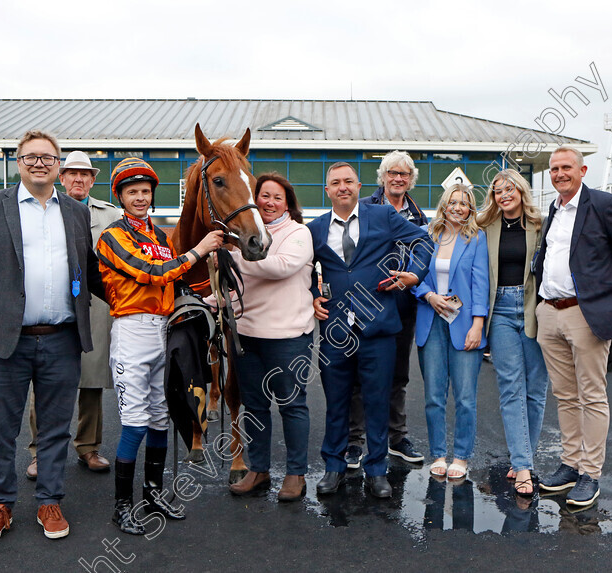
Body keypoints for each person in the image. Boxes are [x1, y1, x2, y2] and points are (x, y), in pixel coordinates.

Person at [0, 130, 105, 544]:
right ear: (19, 161)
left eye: (48, 157)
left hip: (61, 339)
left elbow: (91, 273)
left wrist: (147, 295)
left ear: (59, 165)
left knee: (56, 429)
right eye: (31, 157)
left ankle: (49, 500)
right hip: (4, 340)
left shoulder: (75, 212)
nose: (40, 163)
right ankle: (0, 505)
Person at [96, 157, 223, 534]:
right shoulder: (111, 237)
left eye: (145, 192)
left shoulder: (160, 238)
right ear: (120, 196)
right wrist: (198, 251)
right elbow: (151, 273)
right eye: (132, 191)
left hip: (163, 331)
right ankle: (122, 504)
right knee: (135, 423)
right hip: (131, 331)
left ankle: (153, 492)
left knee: (158, 417)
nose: (139, 197)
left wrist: (208, 298)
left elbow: (175, 282)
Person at [308, 162, 432, 499]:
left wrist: (413, 275)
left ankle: (377, 470)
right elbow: (303, 270)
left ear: (359, 186)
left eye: (348, 181)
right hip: (336, 333)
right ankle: (333, 468)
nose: (343, 187)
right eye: (335, 182)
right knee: (337, 403)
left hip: (378, 330)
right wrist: (312, 296)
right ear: (327, 190)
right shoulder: (316, 229)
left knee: (377, 402)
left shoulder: (382, 217)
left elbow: (423, 242)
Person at [534, 146, 612, 507]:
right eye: (554, 168)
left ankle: (590, 474)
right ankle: (569, 464)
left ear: (582, 170)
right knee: (565, 395)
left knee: (592, 396)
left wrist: (608, 296)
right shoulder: (552, 209)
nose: (559, 173)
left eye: (566, 167)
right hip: (550, 312)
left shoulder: (603, 204)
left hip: (585, 314)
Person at [210, 173, 315, 502]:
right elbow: (231, 287)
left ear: (288, 203)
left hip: (287, 338)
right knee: (253, 407)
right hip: (247, 335)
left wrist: (235, 256)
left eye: (277, 197)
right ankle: (258, 469)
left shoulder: (298, 233)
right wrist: (204, 302)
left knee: (292, 406)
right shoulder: (245, 234)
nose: (269, 202)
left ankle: (296, 475)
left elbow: (282, 266)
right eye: (264, 196)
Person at [26, 151, 120, 480]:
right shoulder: (44, 210)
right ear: (61, 177)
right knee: (45, 382)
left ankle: (89, 447)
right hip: (55, 309)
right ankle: (39, 451)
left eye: (85, 175)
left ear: (93, 180)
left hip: (94, 307)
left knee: (91, 382)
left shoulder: (110, 214)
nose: (78, 179)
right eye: (72, 174)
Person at [347, 151, 429, 468]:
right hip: (365, 303)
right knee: (357, 374)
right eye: (393, 173)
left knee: (398, 374)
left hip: (403, 304)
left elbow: (424, 254)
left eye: (404, 174)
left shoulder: (419, 216)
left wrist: (414, 279)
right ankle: (355, 441)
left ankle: (397, 437)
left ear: (410, 180)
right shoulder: (363, 208)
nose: (398, 179)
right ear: (382, 176)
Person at [476, 169, 548, 496]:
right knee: (510, 387)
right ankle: (522, 465)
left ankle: (524, 457)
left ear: (521, 191)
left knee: (536, 388)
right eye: (498, 191)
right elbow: (446, 235)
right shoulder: (484, 227)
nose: (504, 195)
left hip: (534, 308)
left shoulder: (540, 225)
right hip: (501, 308)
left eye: (510, 189)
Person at [413, 183, 489, 481]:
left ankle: (461, 456)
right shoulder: (426, 237)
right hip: (431, 322)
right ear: (444, 205)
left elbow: (481, 283)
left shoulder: (476, 239)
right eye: (453, 202)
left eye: (465, 203)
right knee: (434, 396)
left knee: (465, 397)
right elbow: (413, 275)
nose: (458, 207)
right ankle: (439, 454)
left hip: (465, 324)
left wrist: (478, 324)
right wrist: (428, 295)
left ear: (471, 209)